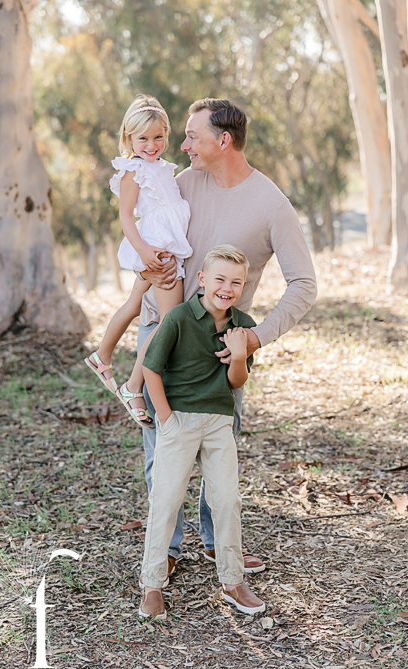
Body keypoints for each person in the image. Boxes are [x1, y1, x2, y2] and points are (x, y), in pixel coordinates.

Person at [137, 98, 317, 581]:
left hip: (221, 347)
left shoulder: (271, 204)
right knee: (162, 450)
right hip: (163, 327)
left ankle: (219, 544)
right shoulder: (180, 185)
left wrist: (255, 337)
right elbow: (149, 241)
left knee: (221, 451)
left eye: (192, 135)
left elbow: (304, 283)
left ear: (224, 140)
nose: (183, 143)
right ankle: (166, 550)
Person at [138, 245, 266, 619]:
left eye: (236, 282)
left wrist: (240, 355)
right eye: (220, 279)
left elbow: (236, 380)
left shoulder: (242, 324)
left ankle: (232, 580)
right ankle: (152, 583)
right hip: (178, 419)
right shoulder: (178, 317)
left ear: (242, 286)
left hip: (218, 422)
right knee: (166, 500)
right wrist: (165, 418)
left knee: (227, 499)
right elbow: (150, 368)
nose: (227, 288)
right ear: (202, 280)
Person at [84, 95, 192, 428]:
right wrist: (145, 251)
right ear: (129, 138)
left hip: (165, 246)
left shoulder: (164, 167)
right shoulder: (132, 169)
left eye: (158, 137)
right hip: (155, 250)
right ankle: (133, 387)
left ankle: (102, 356)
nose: (151, 144)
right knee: (170, 318)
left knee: (134, 303)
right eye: (142, 138)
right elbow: (126, 217)